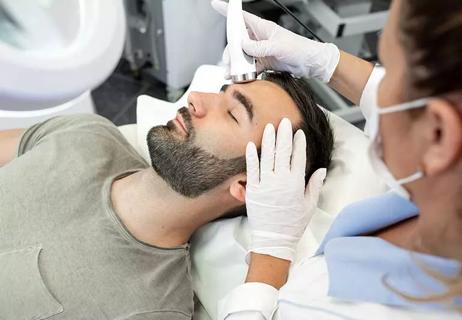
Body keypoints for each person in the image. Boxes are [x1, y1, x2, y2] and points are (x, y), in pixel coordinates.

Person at [0, 72, 333, 319]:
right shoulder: (87, 135)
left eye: (233, 114)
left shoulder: (152, 308)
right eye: (221, 92)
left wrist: (273, 249)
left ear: (246, 187)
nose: (196, 98)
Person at [212, 0, 462, 319]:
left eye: (388, 69)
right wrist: (326, 62)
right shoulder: (440, 186)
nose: (194, 97)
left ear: (438, 134)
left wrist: (269, 254)